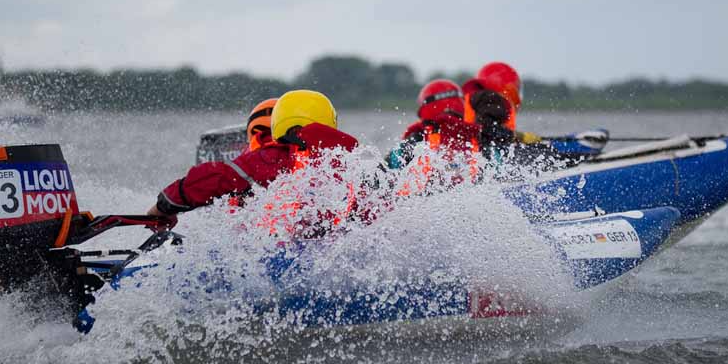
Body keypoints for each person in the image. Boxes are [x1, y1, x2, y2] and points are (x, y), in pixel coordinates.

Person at [147, 90, 359, 233]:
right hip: (336, 257)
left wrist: (164, 206)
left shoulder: (272, 158)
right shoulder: (353, 160)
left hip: (285, 256)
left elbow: (213, 178)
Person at [462, 62, 606, 166]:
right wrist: (518, 136)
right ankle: (582, 149)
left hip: (482, 167)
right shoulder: (495, 99)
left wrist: (517, 138)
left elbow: (485, 131)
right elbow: (485, 128)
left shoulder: (476, 100)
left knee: (532, 150)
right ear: (508, 86)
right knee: (542, 152)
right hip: (489, 167)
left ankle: (577, 149)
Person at [386, 79, 481, 170]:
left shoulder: (417, 138)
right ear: (462, 105)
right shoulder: (480, 137)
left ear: (426, 109)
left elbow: (380, 175)